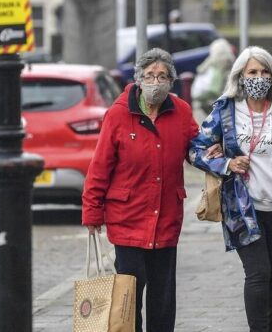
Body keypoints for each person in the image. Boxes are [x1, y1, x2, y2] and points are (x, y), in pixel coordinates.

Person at [189, 46, 272, 331]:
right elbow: (195, 150)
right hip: (243, 208)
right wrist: (226, 164)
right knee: (259, 274)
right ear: (240, 76)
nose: (259, 77)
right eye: (252, 72)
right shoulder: (225, 111)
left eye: (264, 72)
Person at [82, 48, 200, 332]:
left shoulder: (181, 111)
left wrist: (217, 154)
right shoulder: (119, 114)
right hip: (128, 219)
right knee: (127, 297)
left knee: (162, 298)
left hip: (166, 220)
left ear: (171, 81)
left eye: (162, 76)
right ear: (138, 79)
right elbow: (100, 166)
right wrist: (92, 210)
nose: (155, 82)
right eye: (149, 75)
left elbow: (197, 147)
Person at [191, 38, 235, 116]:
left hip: (212, 93)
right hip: (225, 93)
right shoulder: (231, 58)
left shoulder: (213, 59)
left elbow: (200, 69)